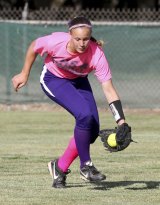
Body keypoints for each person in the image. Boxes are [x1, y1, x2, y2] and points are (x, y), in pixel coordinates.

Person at [12, 16, 130, 189]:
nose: (82, 43)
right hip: (54, 79)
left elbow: (108, 89)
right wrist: (24, 73)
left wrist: (121, 122)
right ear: (70, 35)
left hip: (79, 81)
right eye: (78, 39)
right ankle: (86, 166)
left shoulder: (97, 54)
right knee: (84, 115)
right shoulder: (56, 42)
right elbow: (34, 46)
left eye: (86, 39)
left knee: (91, 132)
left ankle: (59, 168)